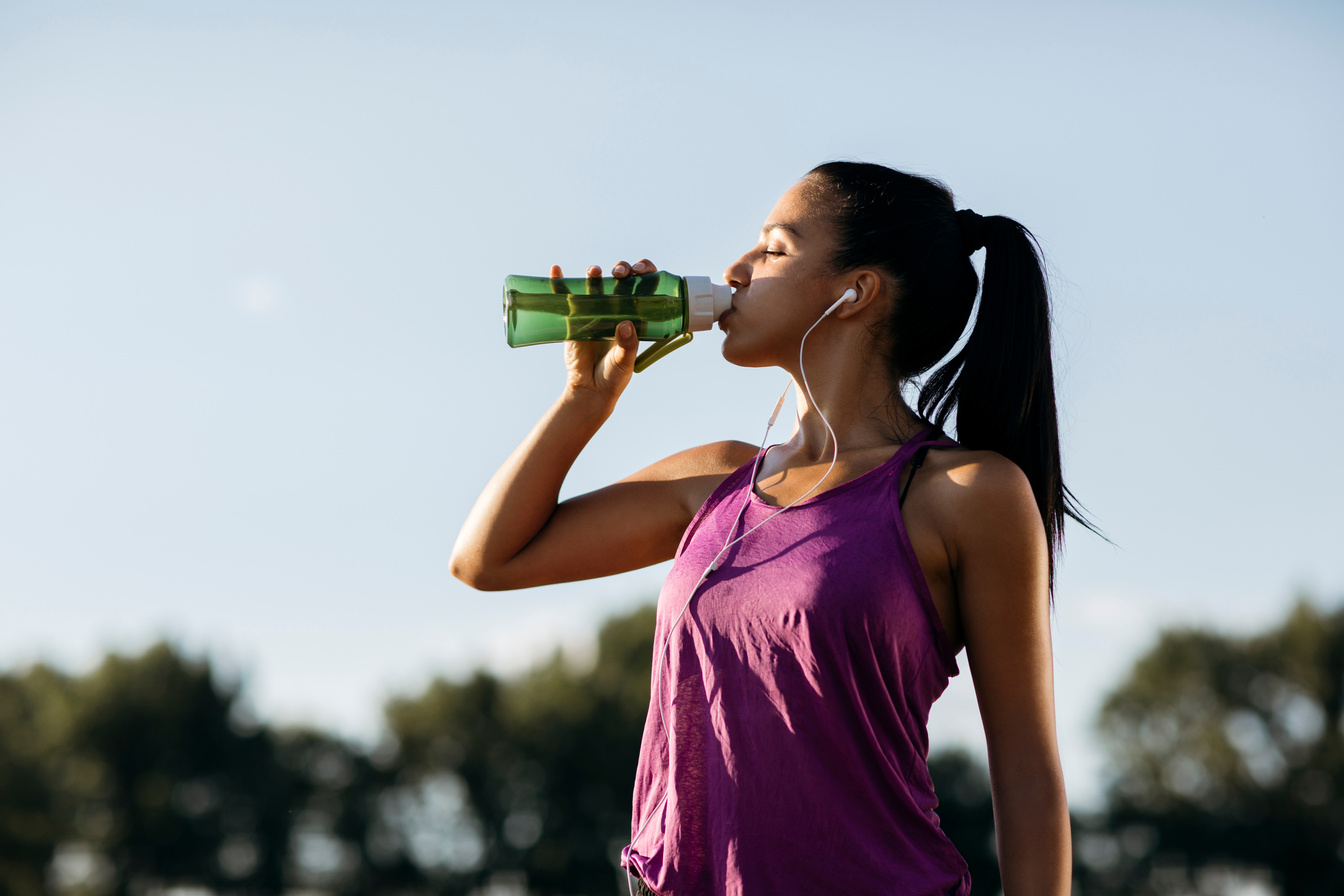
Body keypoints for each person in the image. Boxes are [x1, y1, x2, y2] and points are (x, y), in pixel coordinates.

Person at [451, 161, 1087, 896]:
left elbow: (1028, 774)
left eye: (774, 248)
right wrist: (582, 401)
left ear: (856, 292)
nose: (735, 269)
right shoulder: (715, 480)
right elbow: (486, 559)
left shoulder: (965, 493)